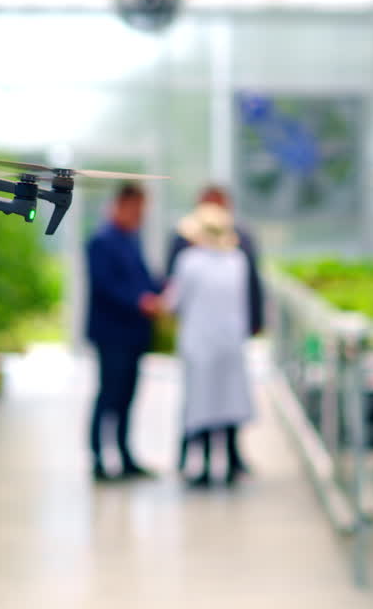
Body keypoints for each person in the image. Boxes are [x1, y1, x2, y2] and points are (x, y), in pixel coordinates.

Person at [166, 186, 263, 474]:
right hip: (224, 341)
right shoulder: (235, 260)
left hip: (203, 341)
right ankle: (203, 460)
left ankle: (211, 462)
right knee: (220, 399)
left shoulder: (193, 260)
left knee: (204, 401)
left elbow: (174, 300)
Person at [86, 182, 161, 482]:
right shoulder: (102, 240)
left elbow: (144, 279)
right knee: (109, 395)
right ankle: (98, 458)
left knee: (128, 395)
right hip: (112, 333)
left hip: (134, 332)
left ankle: (125, 455)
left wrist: (162, 291)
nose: (141, 215)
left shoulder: (131, 239)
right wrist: (139, 301)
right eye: (137, 208)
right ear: (122, 204)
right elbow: (106, 286)